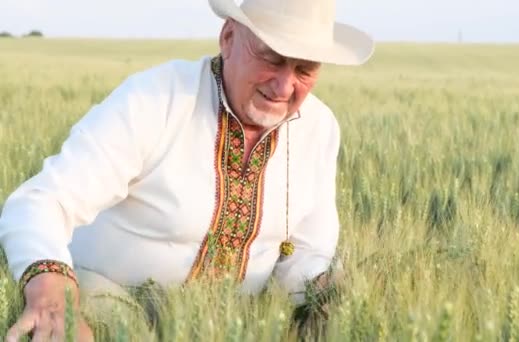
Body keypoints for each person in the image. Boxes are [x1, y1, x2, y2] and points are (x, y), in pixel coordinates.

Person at [0, 0, 374, 340]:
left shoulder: (319, 128)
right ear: (228, 37)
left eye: (304, 69)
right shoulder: (154, 100)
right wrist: (51, 291)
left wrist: (327, 289)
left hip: (228, 325)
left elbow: (305, 253)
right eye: (272, 58)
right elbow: (39, 201)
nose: (284, 85)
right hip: (106, 300)